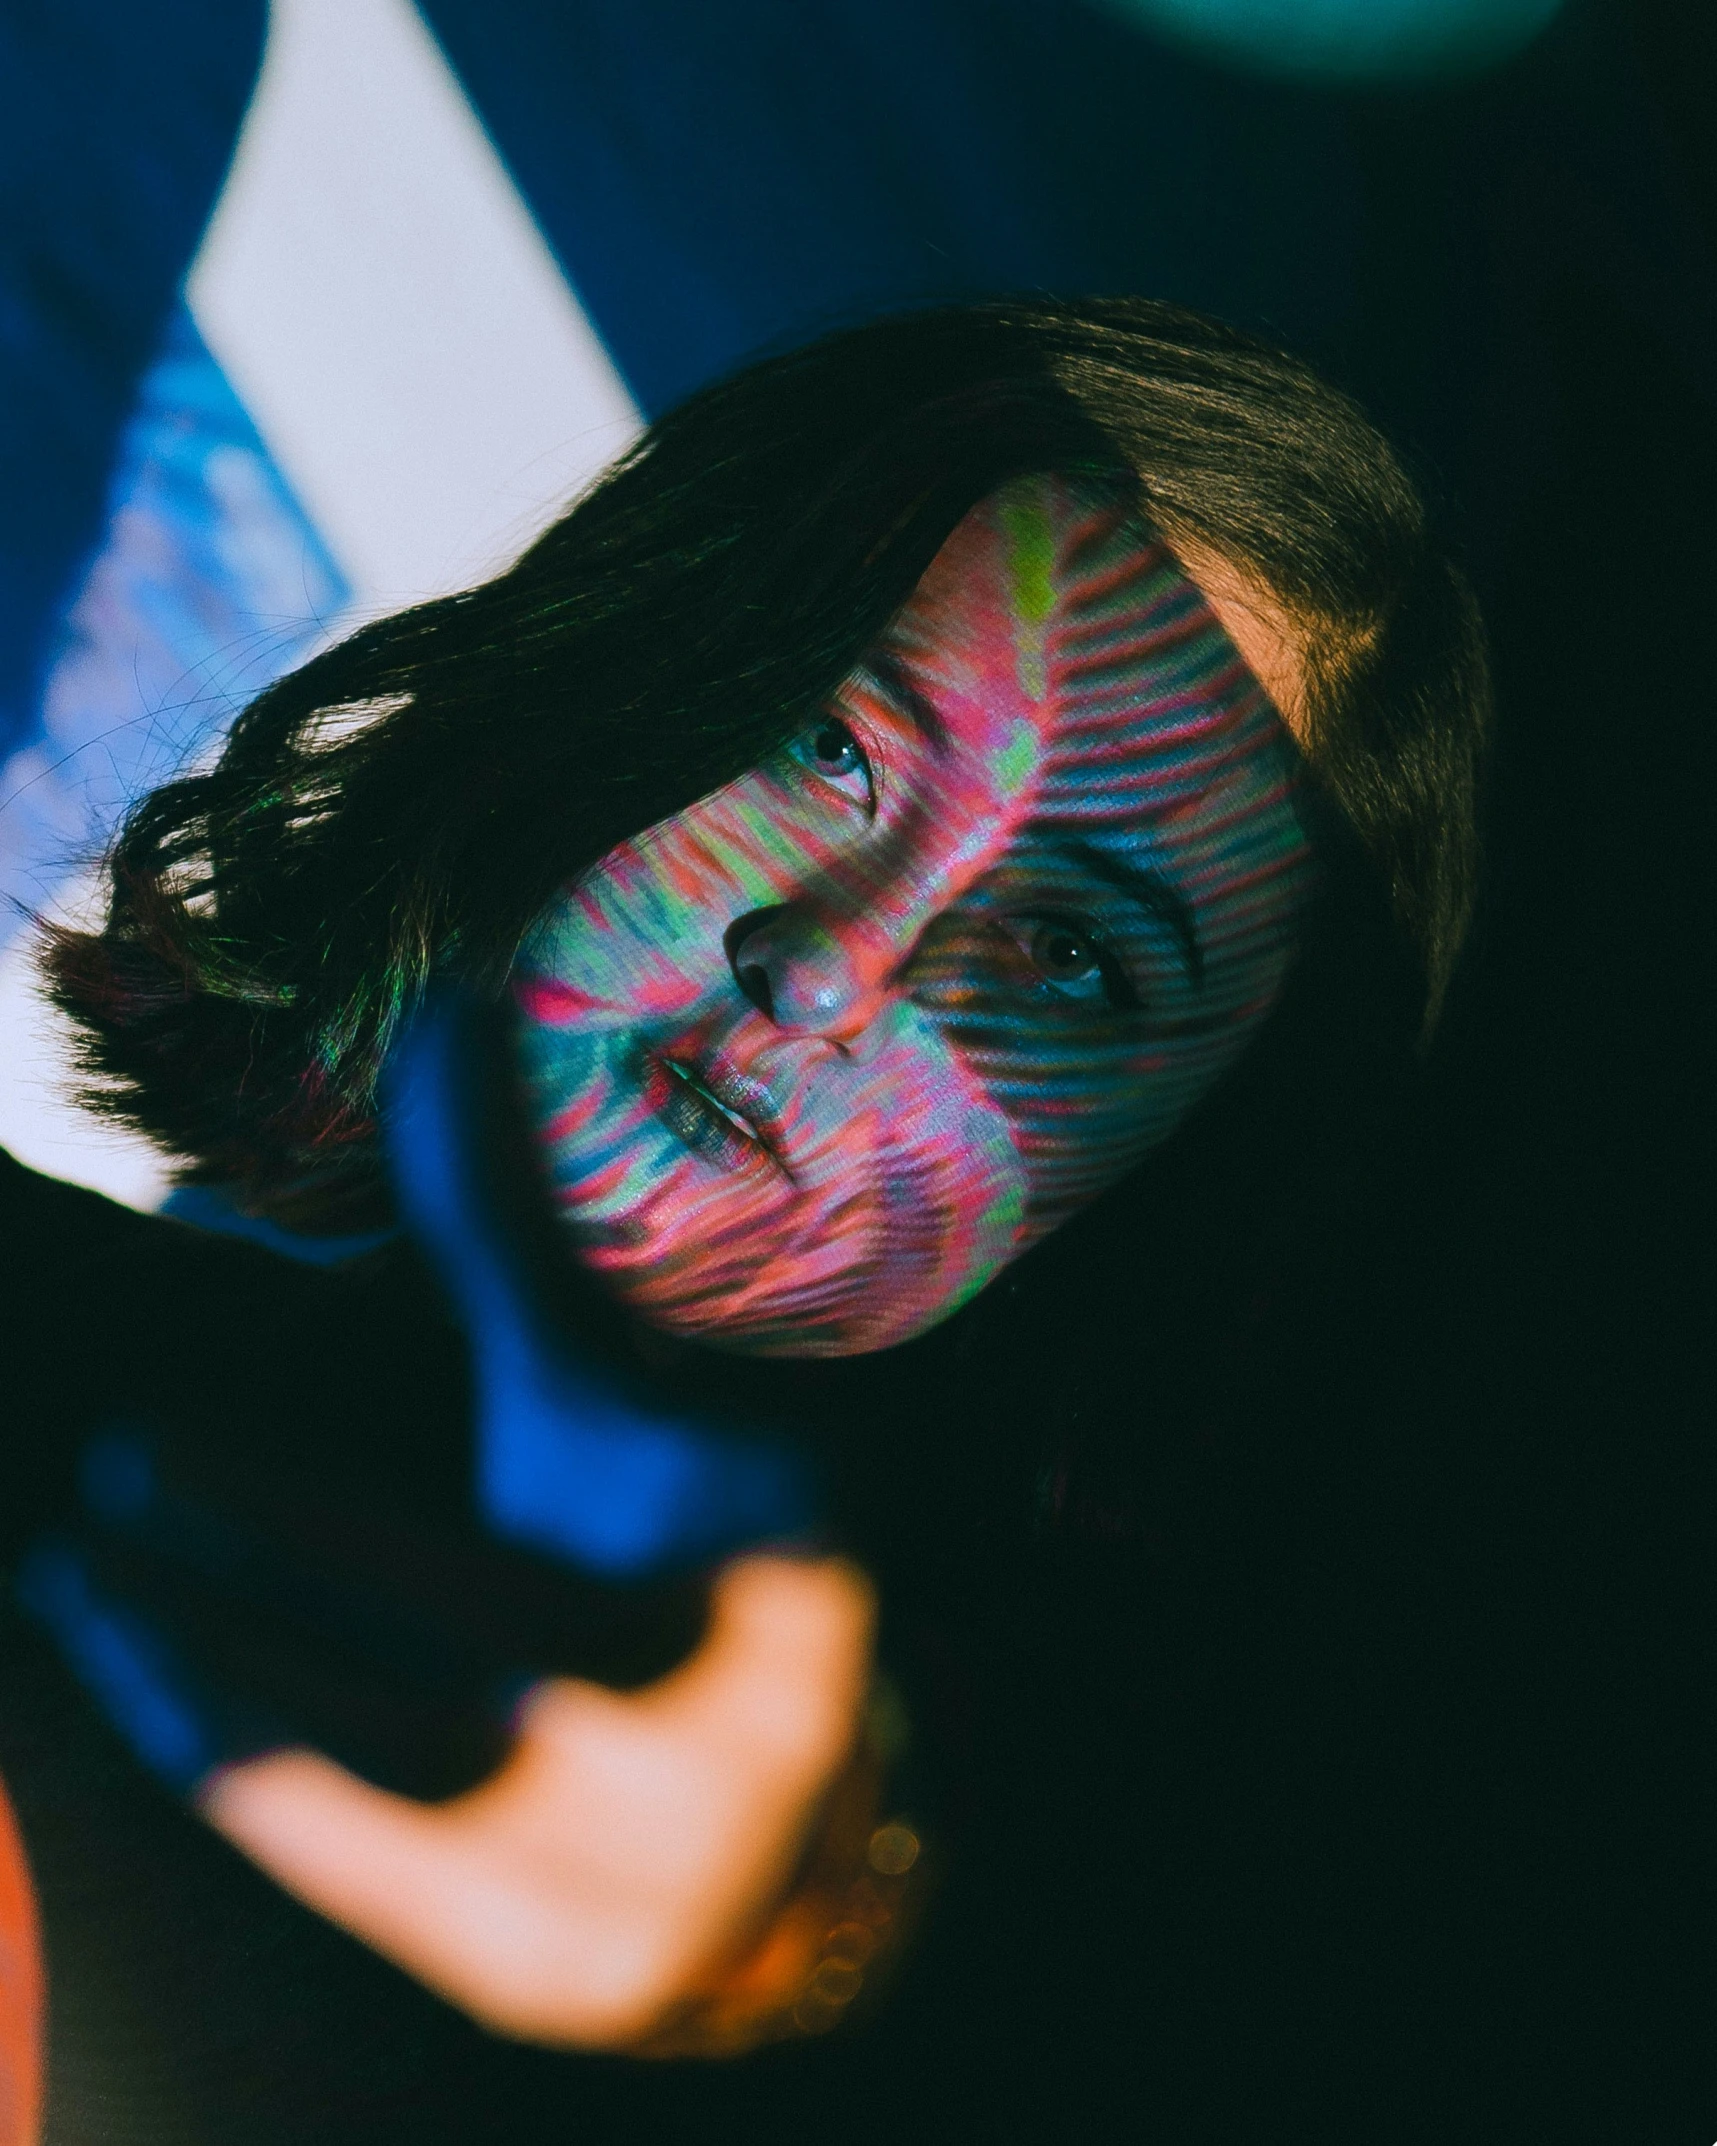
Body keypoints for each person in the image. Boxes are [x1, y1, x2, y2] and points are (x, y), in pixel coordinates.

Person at [5, 297, 1488, 2136]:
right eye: (832, 746)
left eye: (1070, 952)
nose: (830, 960)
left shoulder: (1179, 1894)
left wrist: (807, 1923)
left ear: (1182, 1180)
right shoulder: (82, 1338)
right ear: (610, 696)